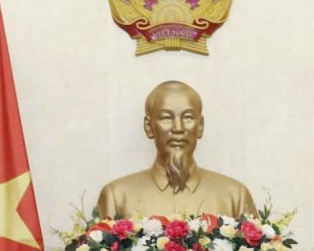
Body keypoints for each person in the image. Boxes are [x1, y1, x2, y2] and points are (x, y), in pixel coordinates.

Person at [96, 81, 258, 219]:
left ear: (200, 126)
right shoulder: (117, 196)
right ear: (149, 126)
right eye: (166, 117)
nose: (178, 128)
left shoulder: (235, 196)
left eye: (188, 117)